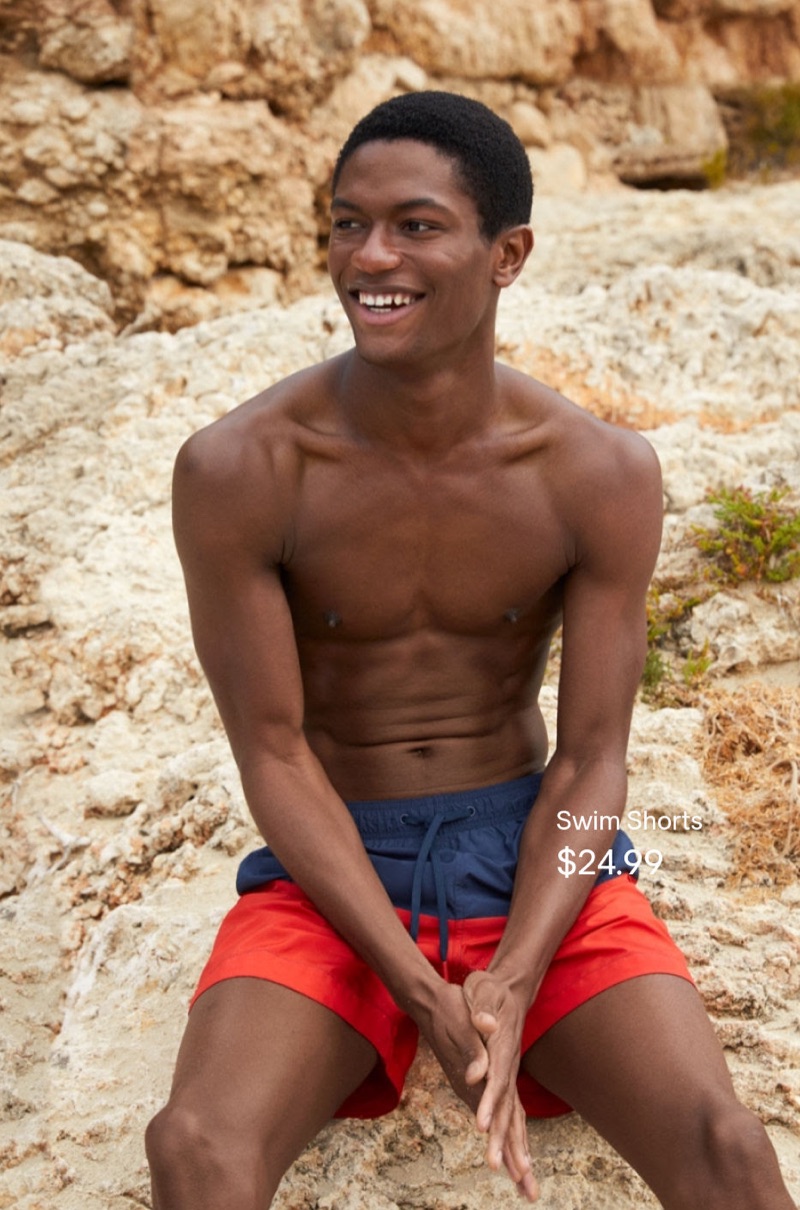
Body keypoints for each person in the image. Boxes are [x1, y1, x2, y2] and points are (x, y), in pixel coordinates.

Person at [145, 91, 796, 1209]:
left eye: (414, 225)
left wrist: (516, 969)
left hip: (536, 858)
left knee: (724, 1145)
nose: (369, 257)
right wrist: (417, 983)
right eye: (347, 224)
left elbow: (591, 763)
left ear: (507, 254)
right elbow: (273, 753)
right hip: (333, 864)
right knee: (195, 1147)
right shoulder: (241, 468)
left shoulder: (593, 473)